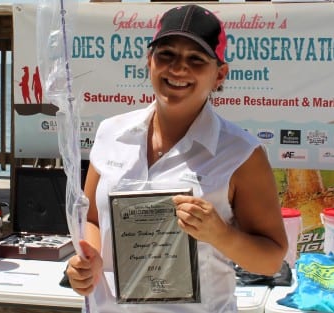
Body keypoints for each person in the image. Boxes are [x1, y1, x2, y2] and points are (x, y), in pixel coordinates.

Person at [65, 4, 288, 312]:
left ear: (219, 74)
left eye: (196, 59)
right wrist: (88, 260)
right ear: (149, 61)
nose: (178, 68)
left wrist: (220, 234)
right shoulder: (110, 133)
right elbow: (90, 219)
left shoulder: (241, 153)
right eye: (166, 54)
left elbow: (271, 258)